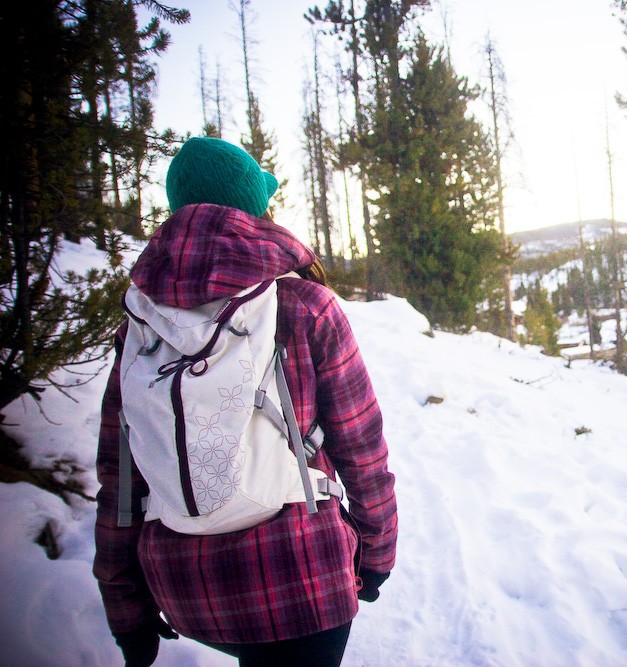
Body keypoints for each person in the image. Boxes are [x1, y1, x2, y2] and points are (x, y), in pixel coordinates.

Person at [93, 136, 398, 667]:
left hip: (184, 589)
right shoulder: (305, 306)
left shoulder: (141, 326)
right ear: (253, 210)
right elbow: (362, 447)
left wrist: (125, 605)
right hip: (302, 581)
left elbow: (120, 477)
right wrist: (376, 553)